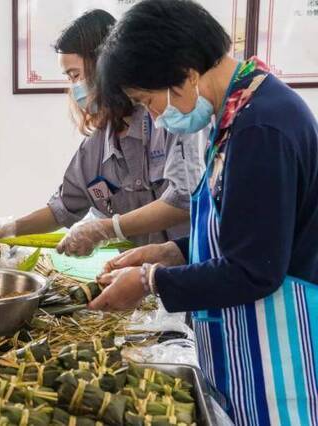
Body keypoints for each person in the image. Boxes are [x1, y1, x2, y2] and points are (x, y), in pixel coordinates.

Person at [92, 1, 318, 424]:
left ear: (185, 72)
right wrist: (173, 252)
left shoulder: (262, 128)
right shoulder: (238, 113)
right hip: (246, 342)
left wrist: (148, 281)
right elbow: (246, 229)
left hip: (278, 352)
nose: (155, 118)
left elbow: (255, 267)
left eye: (148, 101)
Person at [0, 9, 205, 262]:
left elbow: (183, 201)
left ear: (105, 65)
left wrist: (107, 228)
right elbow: (62, 208)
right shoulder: (97, 146)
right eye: (69, 78)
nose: (75, 88)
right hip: (138, 282)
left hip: (190, 271)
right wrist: (7, 229)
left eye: (76, 75)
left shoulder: (170, 120)